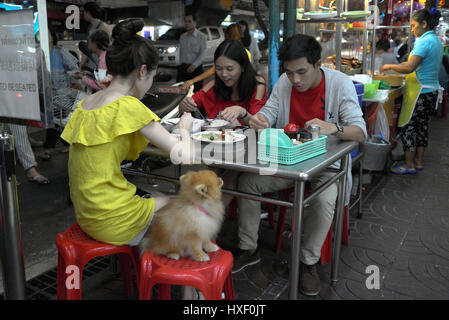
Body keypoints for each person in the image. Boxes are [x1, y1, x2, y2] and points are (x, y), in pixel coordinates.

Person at [233, 34, 366, 296]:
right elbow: (270, 111)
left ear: (318, 64)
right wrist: (259, 118)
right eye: (290, 72)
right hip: (288, 161)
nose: (295, 80)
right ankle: (247, 247)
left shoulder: (340, 84)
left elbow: (360, 132)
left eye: (302, 72)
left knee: (325, 197)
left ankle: (308, 262)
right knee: (248, 181)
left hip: (326, 166)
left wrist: (333, 127)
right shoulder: (284, 82)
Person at [61, 18, 194, 247]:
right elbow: (185, 156)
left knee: (149, 195)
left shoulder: (87, 103)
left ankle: (144, 267)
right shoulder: (128, 106)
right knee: (186, 204)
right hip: (113, 222)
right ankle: (170, 275)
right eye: (151, 77)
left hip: (86, 216)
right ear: (142, 71)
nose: (149, 84)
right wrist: (185, 129)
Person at [381, 8, 443, 174]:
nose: (412, 29)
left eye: (414, 25)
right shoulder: (435, 40)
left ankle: (409, 165)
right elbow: (416, 66)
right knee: (422, 127)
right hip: (431, 91)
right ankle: (418, 161)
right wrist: (396, 67)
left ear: (424, 24)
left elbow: (410, 67)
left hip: (419, 94)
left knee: (408, 127)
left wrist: (389, 66)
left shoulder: (423, 41)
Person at [179, 39, 266, 126]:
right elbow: (189, 104)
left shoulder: (258, 85)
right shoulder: (212, 85)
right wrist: (184, 106)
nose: (224, 74)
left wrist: (242, 112)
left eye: (230, 69)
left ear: (243, 67)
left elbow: (258, 124)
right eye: (219, 69)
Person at [38, 26, 86, 161]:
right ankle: (70, 144)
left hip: (62, 93)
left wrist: (74, 82)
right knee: (57, 122)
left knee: (55, 122)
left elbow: (74, 68)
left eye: (47, 34)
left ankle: (49, 149)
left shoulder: (60, 52)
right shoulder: (39, 53)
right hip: (46, 95)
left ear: (53, 37)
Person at [181, 23, 250, 91]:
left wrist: (192, 81)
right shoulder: (245, 51)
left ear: (227, 35)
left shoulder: (230, 52)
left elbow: (212, 70)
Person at [176, 13, 207, 93]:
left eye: (189, 21)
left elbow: (203, 53)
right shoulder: (182, 37)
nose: (187, 24)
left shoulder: (202, 36)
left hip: (196, 69)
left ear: (195, 22)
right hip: (183, 69)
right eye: (185, 21)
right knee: (180, 91)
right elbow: (181, 53)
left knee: (196, 92)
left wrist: (194, 65)